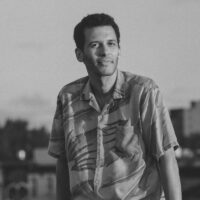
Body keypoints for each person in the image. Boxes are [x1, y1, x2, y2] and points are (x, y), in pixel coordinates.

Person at [48, 13, 182, 200]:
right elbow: (62, 163)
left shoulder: (143, 92)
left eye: (111, 44)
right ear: (79, 54)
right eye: (95, 45)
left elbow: (166, 156)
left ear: (119, 49)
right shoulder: (68, 97)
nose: (105, 52)